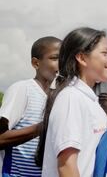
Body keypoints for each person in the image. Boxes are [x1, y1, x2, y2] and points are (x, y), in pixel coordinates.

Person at [36, 27, 107, 176]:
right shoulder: (71, 98)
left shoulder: (89, 100)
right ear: (82, 58)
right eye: (104, 53)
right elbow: (66, 166)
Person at [0, 36, 61, 176]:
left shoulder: (61, 97)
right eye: (54, 58)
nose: (60, 64)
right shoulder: (23, 89)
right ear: (35, 63)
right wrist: (43, 127)